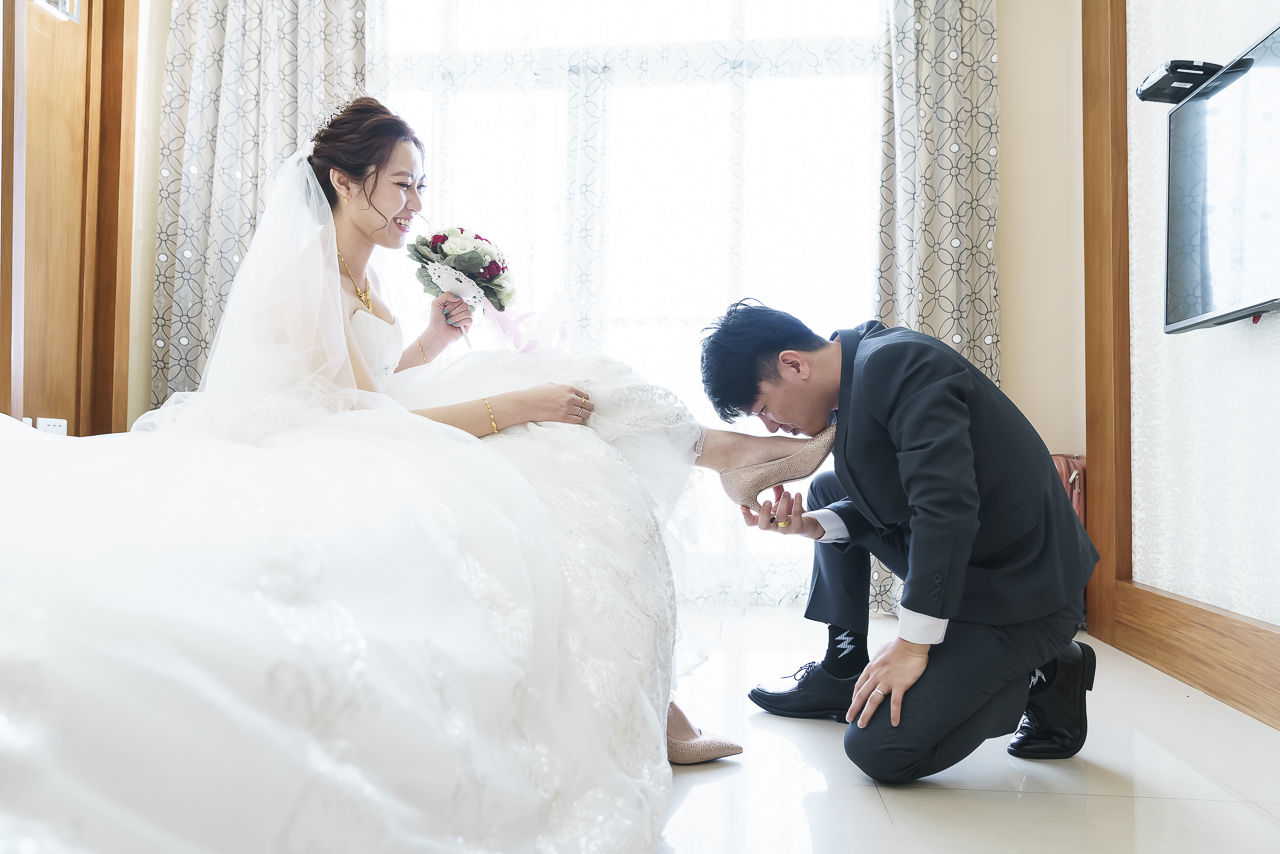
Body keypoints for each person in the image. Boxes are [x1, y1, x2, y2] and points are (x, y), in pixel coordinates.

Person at [0, 100, 826, 851]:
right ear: (344, 181)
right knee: (556, 442)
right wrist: (517, 404)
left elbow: (376, 381)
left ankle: (725, 468)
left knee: (581, 395)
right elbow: (362, 414)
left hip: (370, 420)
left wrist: (434, 342)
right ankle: (709, 525)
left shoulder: (363, 271)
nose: (415, 205)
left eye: (419, 186)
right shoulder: (306, 275)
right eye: (401, 184)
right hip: (330, 443)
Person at [699, 301, 1100, 784]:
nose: (770, 427)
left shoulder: (897, 363)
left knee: (879, 750)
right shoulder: (859, 366)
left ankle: (1049, 674)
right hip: (974, 563)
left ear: (793, 364)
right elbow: (904, 497)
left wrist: (912, 645)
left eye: (764, 409)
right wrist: (811, 526)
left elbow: (945, 508)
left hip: (1023, 589)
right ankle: (843, 665)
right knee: (826, 491)